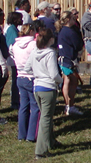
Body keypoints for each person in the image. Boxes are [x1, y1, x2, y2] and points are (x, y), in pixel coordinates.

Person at [24, 28, 63, 159]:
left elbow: (27, 68)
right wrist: (60, 81)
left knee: (47, 117)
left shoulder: (35, 51)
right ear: (50, 40)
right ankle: (40, 150)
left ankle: (51, 141)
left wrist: (38, 74)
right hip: (48, 88)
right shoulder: (50, 53)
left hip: (37, 87)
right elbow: (53, 74)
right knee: (46, 119)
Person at [10, 23, 39, 142]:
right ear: (31, 31)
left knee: (23, 106)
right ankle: (32, 135)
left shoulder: (15, 45)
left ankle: (21, 134)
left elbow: (12, 55)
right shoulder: (33, 44)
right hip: (31, 76)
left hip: (20, 76)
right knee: (35, 106)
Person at [56, 11, 84, 115]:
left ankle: (68, 105)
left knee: (67, 81)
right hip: (69, 60)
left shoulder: (62, 31)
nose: (75, 20)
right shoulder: (70, 32)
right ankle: (70, 105)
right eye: (73, 19)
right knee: (73, 82)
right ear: (68, 20)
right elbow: (78, 44)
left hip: (63, 58)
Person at [5, 12, 23, 109]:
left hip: (13, 59)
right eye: (20, 18)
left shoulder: (13, 29)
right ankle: (15, 102)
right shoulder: (12, 30)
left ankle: (16, 100)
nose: (22, 20)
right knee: (15, 80)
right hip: (14, 59)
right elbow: (12, 45)